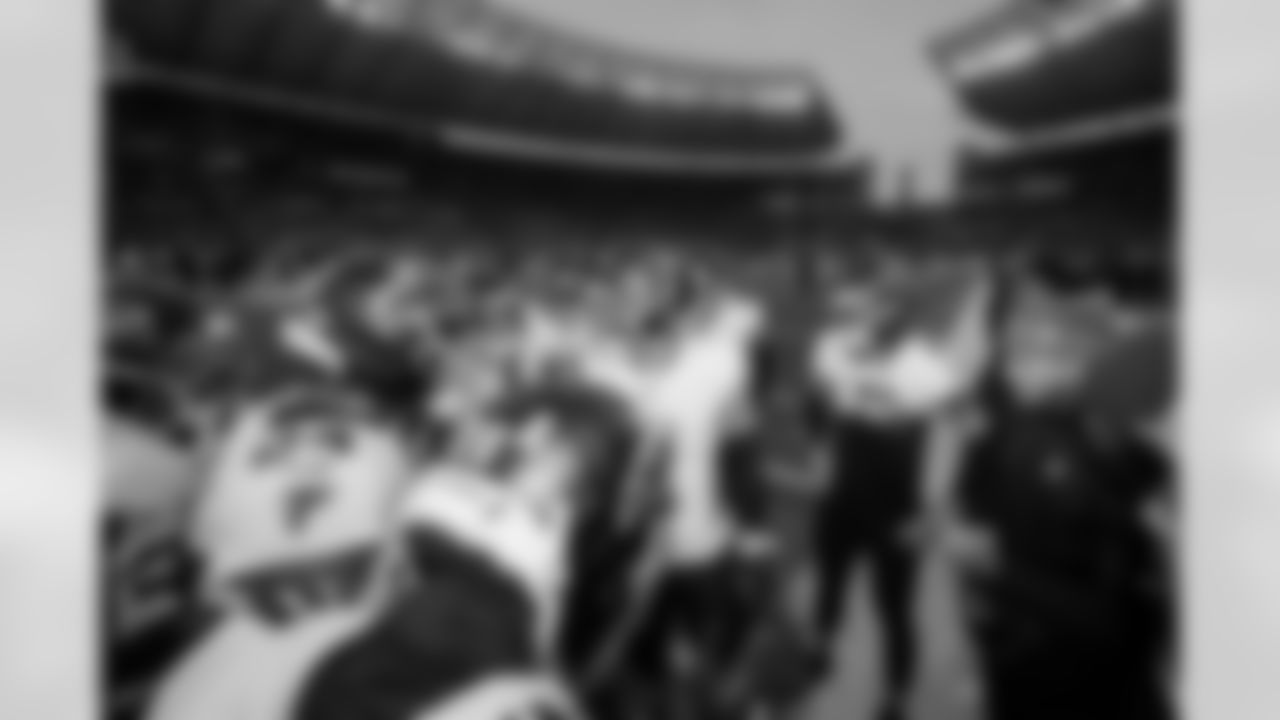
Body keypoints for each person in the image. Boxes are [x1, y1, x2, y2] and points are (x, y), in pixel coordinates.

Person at [948, 285, 1173, 720]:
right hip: (1033, 655)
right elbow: (975, 524)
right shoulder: (1024, 429)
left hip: (1101, 672)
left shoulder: (1149, 472)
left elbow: (1117, 619)